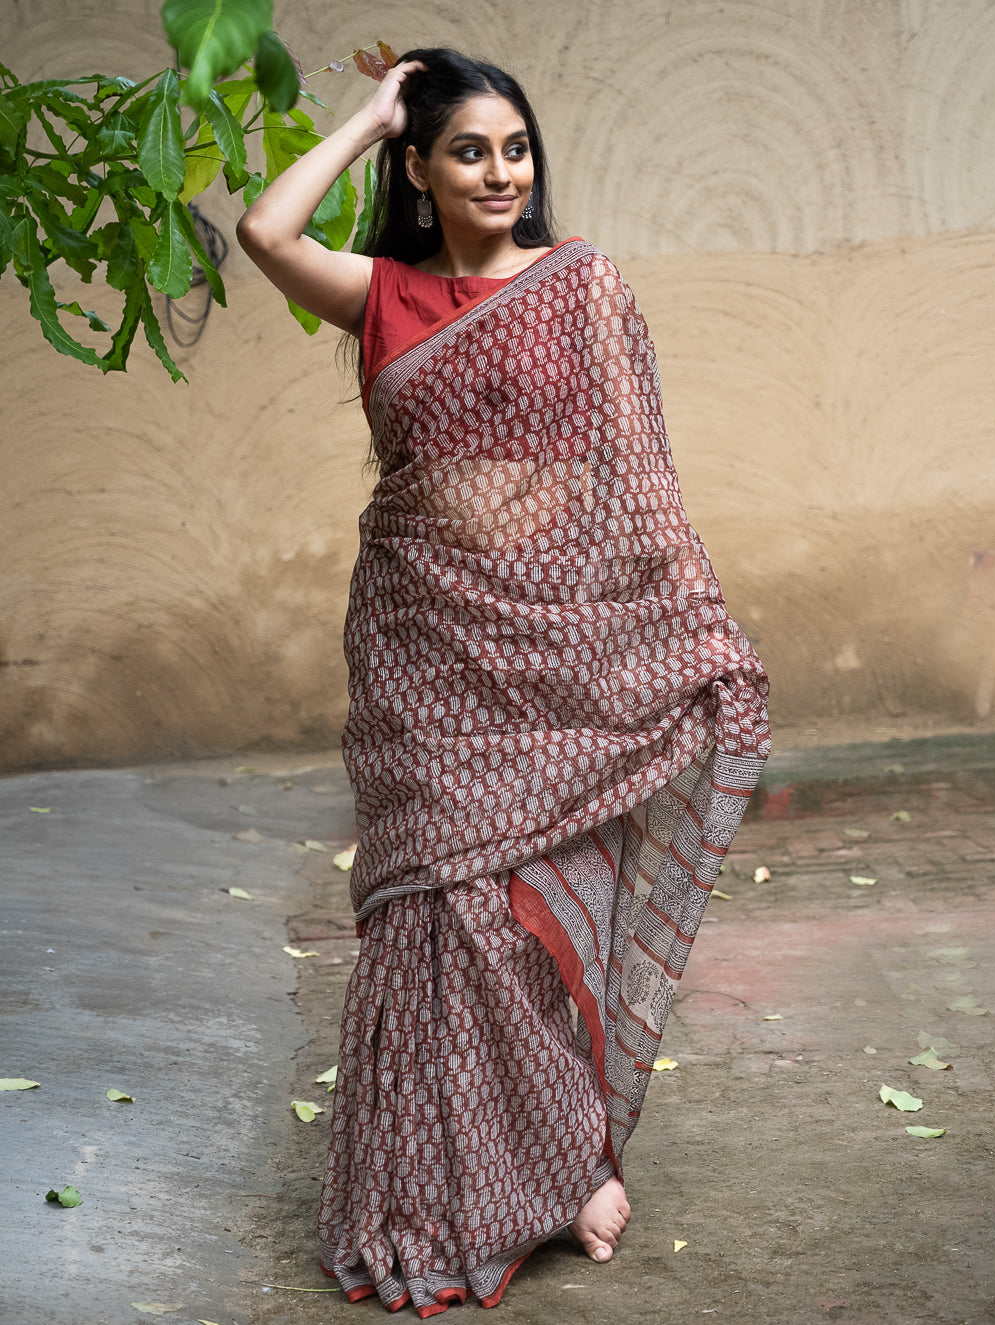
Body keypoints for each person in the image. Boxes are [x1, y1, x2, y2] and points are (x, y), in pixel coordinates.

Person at [238, 47, 770, 1317]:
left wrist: (673, 622)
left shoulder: (578, 284)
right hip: (422, 644)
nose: (498, 170)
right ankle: (461, 1176)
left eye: (514, 147)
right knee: (441, 913)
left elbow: (634, 479)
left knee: (526, 908)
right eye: (467, 149)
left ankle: (566, 1158)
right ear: (419, 170)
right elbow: (263, 227)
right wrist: (370, 116)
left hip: (550, 645)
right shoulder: (384, 296)